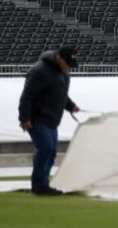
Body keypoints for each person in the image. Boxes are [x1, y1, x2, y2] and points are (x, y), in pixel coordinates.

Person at [17, 45, 80, 196]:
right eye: (68, 64)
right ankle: (39, 185)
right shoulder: (40, 71)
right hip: (36, 118)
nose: (70, 68)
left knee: (51, 151)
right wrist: (24, 118)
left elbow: (60, 95)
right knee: (45, 147)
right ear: (59, 59)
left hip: (52, 119)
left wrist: (71, 106)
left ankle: (44, 182)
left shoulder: (64, 73)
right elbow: (27, 96)